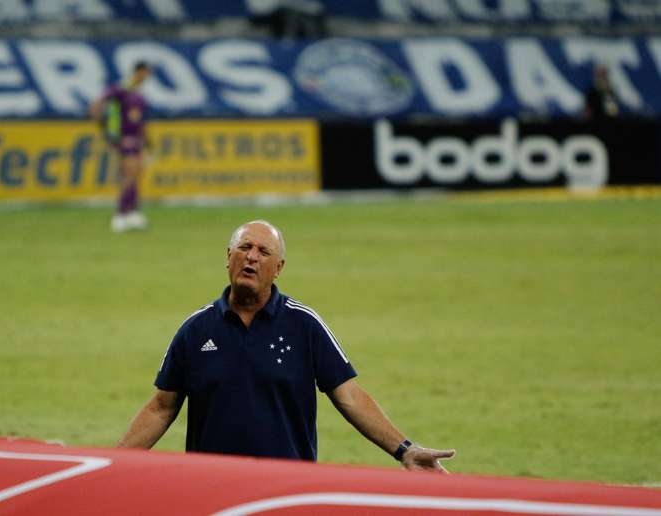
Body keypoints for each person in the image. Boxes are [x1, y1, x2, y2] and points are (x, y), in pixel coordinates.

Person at [118, 220, 455, 471]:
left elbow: (349, 396)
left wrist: (405, 450)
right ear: (228, 257)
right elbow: (161, 408)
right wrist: (113, 464)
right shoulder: (196, 330)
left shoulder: (303, 325)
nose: (251, 257)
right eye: (244, 248)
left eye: (264, 252)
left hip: (285, 485)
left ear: (278, 269)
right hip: (212, 485)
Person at [90, 61, 152, 233]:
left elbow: (140, 121)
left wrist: (147, 141)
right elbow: (97, 105)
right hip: (124, 139)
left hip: (136, 139)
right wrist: (107, 132)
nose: (146, 77)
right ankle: (120, 215)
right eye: (145, 73)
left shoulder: (139, 95)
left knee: (137, 173)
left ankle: (132, 212)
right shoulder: (121, 89)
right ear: (138, 72)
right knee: (129, 174)